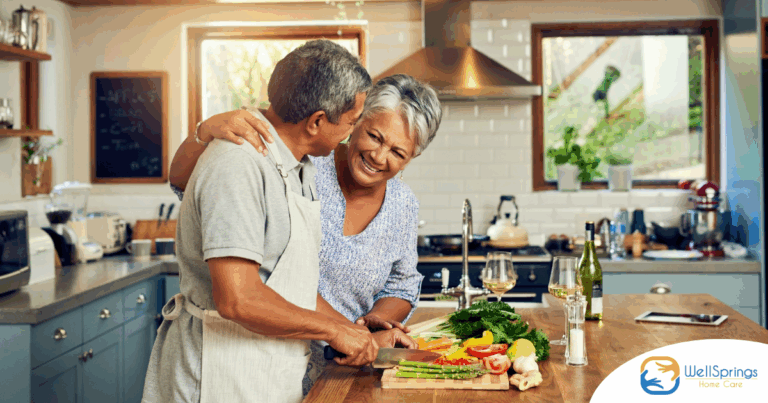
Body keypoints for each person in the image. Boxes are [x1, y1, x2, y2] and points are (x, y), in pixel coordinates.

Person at [142, 40, 402, 403]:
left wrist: (358, 335)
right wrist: (332, 331)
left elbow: (289, 285)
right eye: (352, 120)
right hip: (218, 373)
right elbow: (239, 299)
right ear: (316, 122)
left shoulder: (299, 167)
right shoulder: (238, 164)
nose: (352, 131)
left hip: (264, 368)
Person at [169, 74, 443, 394]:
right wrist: (203, 132)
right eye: (375, 137)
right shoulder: (306, 163)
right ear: (356, 121)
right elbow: (185, 182)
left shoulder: (404, 204)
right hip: (268, 349)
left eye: (398, 153)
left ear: (413, 158)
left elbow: (403, 282)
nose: (379, 157)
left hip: (350, 359)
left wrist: (366, 327)